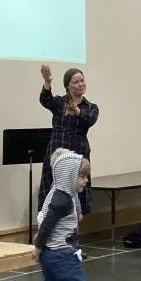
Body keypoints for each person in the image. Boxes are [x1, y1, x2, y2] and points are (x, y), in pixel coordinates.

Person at [23, 149, 91, 281]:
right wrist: (37, 244)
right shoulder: (62, 199)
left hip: (50, 254)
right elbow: (47, 224)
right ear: (68, 175)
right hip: (61, 252)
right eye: (82, 176)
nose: (86, 181)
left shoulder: (58, 192)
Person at [38, 65, 98, 216]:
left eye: (82, 80)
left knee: (78, 187)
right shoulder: (59, 102)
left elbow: (90, 119)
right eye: (76, 82)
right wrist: (47, 81)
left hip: (79, 150)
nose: (81, 84)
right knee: (53, 186)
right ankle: (49, 222)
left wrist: (76, 110)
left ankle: (76, 222)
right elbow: (45, 100)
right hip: (57, 150)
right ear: (68, 86)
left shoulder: (91, 107)